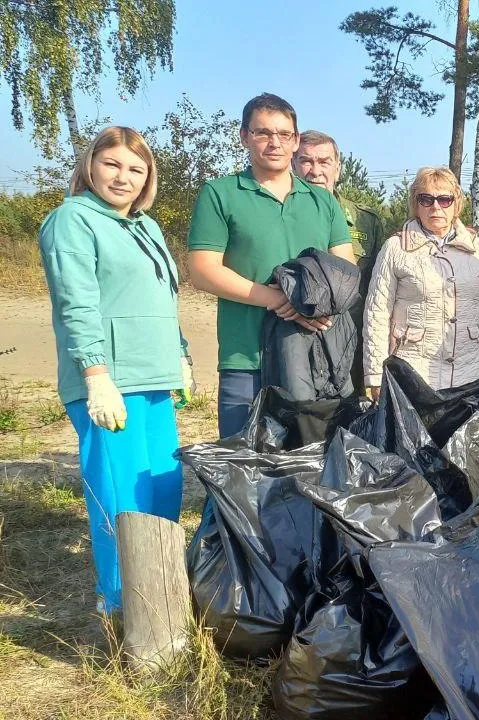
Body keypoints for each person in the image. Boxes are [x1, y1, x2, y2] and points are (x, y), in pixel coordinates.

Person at [37, 126, 193, 617]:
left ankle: (164, 597)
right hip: (110, 385)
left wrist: (181, 355)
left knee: (163, 488)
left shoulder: (145, 225)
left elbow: (163, 300)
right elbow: (77, 303)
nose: (123, 177)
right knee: (121, 494)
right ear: (90, 165)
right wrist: (96, 375)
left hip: (154, 377)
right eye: (112, 164)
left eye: (135, 168)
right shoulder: (72, 220)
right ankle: (123, 608)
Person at [188, 93, 354, 438]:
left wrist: (318, 306)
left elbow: (345, 269)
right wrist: (277, 298)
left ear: (295, 140)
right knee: (245, 471)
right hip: (247, 359)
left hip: (314, 356)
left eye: (284, 134)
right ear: (244, 136)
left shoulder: (322, 201)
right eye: (263, 133)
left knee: (314, 468)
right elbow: (202, 269)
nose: (274, 143)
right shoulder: (220, 194)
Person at [363, 167, 479, 393]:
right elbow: (377, 313)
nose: (436, 207)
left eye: (444, 199)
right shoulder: (395, 248)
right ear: (415, 203)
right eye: (426, 199)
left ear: (456, 203)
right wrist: (374, 375)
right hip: (411, 374)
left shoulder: (478, 249)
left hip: (470, 372)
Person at [293, 130, 385, 394]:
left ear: (338, 167)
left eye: (324, 162)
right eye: (306, 161)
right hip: (297, 337)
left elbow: (380, 288)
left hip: (349, 341)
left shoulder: (366, 220)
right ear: (293, 165)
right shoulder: (280, 214)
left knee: (348, 423)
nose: (315, 171)